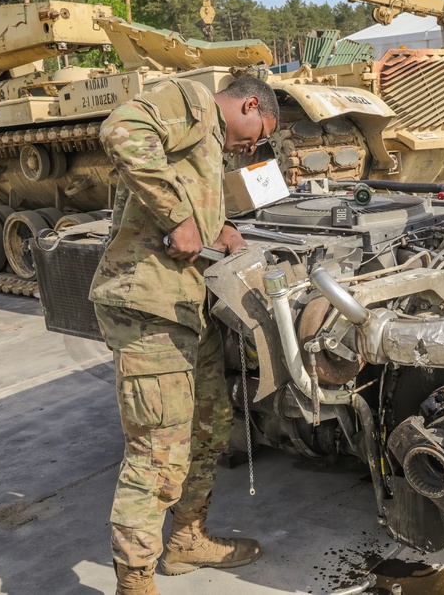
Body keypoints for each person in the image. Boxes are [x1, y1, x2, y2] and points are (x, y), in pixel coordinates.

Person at [90, 76, 279, 594]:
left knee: (210, 426)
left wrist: (218, 227)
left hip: (184, 307)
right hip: (148, 305)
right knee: (155, 453)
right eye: (259, 134)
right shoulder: (193, 101)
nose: (253, 148)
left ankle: (187, 540)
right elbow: (121, 128)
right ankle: (135, 582)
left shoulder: (208, 141)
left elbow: (188, 200)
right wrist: (179, 216)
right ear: (249, 104)